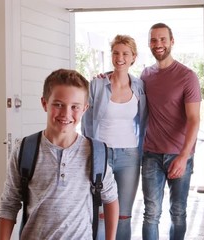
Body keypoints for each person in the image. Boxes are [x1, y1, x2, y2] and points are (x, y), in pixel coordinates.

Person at [0, 69, 119, 240]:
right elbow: (9, 203)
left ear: (85, 108)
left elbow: (110, 198)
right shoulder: (24, 149)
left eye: (74, 106)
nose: (66, 113)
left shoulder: (95, 153)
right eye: (58, 104)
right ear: (44, 103)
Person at [82, 34, 147, 240]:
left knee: (124, 215)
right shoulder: (98, 84)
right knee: (102, 214)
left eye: (125, 54)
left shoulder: (139, 86)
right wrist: (90, 151)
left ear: (133, 57)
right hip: (102, 154)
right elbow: (87, 120)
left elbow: (144, 120)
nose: (120, 57)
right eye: (116, 53)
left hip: (130, 155)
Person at [140, 23, 201, 240]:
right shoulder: (145, 75)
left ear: (172, 41)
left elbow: (194, 119)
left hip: (179, 155)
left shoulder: (187, 76)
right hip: (151, 155)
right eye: (154, 40)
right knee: (151, 213)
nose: (158, 44)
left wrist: (184, 156)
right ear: (149, 43)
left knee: (178, 212)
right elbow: (124, 87)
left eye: (163, 39)